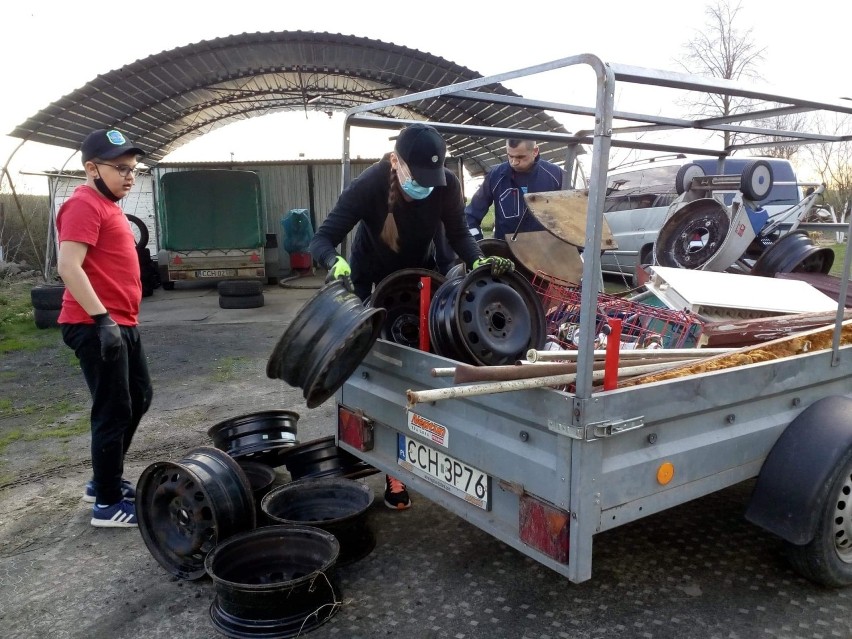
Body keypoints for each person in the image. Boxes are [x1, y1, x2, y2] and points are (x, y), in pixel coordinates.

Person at [310, 122, 513, 509]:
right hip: (372, 280)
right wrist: (331, 261)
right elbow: (321, 237)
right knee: (384, 372)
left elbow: (458, 234)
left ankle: (438, 447)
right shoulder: (368, 186)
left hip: (422, 279)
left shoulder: (447, 185)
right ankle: (394, 471)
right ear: (395, 162)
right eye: (417, 177)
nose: (426, 185)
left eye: (431, 178)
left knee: (426, 365)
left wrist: (480, 262)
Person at [57, 128, 153, 528]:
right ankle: (108, 505)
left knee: (139, 397)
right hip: (95, 323)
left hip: (119, 321)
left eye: (133, 169)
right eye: (120, 168)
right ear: (91, 168)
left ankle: (104, 481)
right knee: (113, 411)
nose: (129, 176)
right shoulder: (84, 204)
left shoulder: (110, 205)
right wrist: (102, 320)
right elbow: (68, 267)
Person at [465, 139, 564, 241]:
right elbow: (470, 215)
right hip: (506, 250)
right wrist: (476, 241)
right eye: (510, 156)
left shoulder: (556, 175)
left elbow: (573, 214)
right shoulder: (495, 176)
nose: (514, 162)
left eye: (520, 157)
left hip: (544, 249)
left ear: (535, 151)